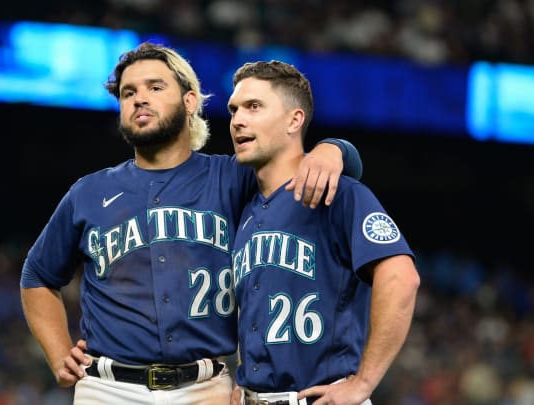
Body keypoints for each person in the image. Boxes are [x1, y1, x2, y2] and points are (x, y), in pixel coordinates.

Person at [19, 42, 363, 404]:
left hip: (205, 388)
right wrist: (58, 352)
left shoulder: (233, 177)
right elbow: (38, 275)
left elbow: (303, 166)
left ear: (190, 101)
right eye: (127, 93)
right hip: (108, 388)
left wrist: (335, 149)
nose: (138, 99)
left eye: (155, 87)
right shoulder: (89, 192)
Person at [227, 61, 419, 405]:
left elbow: (401, 278)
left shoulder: (342, 193)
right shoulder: (245, 207)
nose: (238, 119)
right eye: (234, 109)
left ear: (294, 119)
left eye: (254, 107)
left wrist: (363, 383)